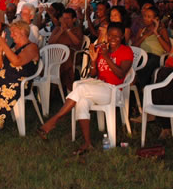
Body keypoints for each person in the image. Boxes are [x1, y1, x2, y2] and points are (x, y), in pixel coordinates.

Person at [37, 22, 133, 155]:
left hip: (113, 90)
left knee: (81, 89)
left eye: (117, 37)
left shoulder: (126, 51)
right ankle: (87, 143)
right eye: (110, 36)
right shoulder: (102, 48)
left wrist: (106, 57)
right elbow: (93, 75)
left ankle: (55, 120)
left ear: (122, 37)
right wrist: (94, 61)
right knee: (81, 101)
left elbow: (121, 74)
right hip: (98, 87)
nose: (113, 39)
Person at [48, 8, 84, 91]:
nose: (65, 21)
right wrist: (61, 31)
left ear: (74, 19)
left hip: (70, 56)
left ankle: (62, 87)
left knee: (65, 55)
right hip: (55, 55)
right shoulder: (57, 29)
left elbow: (77, 43)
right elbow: (50, 42)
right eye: (63, 18)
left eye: (67, 18)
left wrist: (67, 30)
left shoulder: (77, 29)